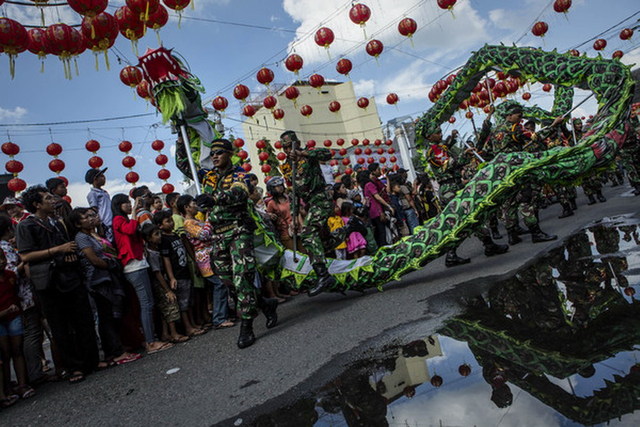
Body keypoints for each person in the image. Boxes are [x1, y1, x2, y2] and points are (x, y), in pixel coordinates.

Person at [191, 138, 277, 348]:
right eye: (212, 153)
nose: (215, 156)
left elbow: (239, 192)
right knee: (230, 283)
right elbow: (185, 164)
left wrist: (215, 199)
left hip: (238, 231)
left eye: (220, 152)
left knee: (243, 279)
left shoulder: (241, 174)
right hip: (218, 236)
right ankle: (265, 304)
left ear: (230, 154)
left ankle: (246, 327)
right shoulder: (208, 177)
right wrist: (180, 132)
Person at [16, 185, 99, 384]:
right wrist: (57, 250)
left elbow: (67, 246)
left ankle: (91, 362)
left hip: (70, 278)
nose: (52, 200)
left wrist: (68, 253)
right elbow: (26, 255)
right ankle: (73, 367)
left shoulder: (56, 223)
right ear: (36, 204)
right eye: (47, 198)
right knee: (61, 326)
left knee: (83, 319)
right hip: (48, 283)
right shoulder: (26, 226)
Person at [281, 130, 364, 297]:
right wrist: (295, 217)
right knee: (323, 243)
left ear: (296, 144)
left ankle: (323, 275)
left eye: (290, 146)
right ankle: (349, 228)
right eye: (285, 147)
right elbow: (294, 193)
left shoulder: (309, 157)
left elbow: (326, 153)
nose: (288, 150)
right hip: (310, 205)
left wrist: (303, 152)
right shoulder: (289, 167)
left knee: (308, 233)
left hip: (321, 201)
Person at [69, 208, 141, 367]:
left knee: (111, 314)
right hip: (97, 280)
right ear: (77, 223)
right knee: (106, 316)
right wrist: (110, 264)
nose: (90, 219)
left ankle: (116, 348)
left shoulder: (92, 235)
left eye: (91, 216)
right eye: (85, 217)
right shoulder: (81, 237)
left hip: (107, 278)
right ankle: (114, 352)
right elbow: (94, 259)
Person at [111, 193, 172, 354]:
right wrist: (133, 213)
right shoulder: (118, 220)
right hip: (133, 266)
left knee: (148, 303)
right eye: (126, 203)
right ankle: (150, 342)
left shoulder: (125, 219)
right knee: (146, 304)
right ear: (118, 205)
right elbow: (130, 230)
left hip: (139, 262)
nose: (129, 205)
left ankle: (152, 339)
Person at [490, 102, 560, 244]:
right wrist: (553, 125)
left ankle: (512, 235)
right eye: (519, 116)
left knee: (509, 203)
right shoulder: (514, 128)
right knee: (526, 200)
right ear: (509, 116)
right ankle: (536, 232)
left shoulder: (496, 130)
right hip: (516, 169)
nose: (520, 119)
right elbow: (535, 137)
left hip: (503, 171)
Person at [177, 194, 235, 329]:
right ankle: (219, 318)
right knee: (219, 284)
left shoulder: (196, 221)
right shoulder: (188, 223)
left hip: (212, 255)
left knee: (222, 284)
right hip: (205, 259)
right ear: (186, 208)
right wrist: (209, 218)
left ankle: (223, 315)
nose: (196, 206)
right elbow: (204, 235)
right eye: (193, 204)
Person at [153, 210, 205, 337]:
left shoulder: (175, 235)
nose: (171, 223)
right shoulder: (164, 240)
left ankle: (192, 324)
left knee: (189, 300)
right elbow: (166, 260)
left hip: (185, 270)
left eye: (171, 220)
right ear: (160, 225)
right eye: (167, 221)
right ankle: (187, 327)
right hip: (177, 274)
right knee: (183, 303)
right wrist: (171, 277)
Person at [140, 223, 188, 344]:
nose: (160, 236)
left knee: (165, 309)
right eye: (156, 234)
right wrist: (168, 290)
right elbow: (157, 273)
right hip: (160, 283)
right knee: (169, 305)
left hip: (161, 281)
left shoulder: (156, 249)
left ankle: (165, 334)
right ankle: (174, 333)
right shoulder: (151, 253)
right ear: (148, 238)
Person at [0, 248, 35, 400]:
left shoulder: (10, 275)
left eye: (2, 258)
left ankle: (22, 384)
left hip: (14, 316)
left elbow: (17, 293)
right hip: (2, 318)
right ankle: (7, 388)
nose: (2, 262)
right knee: (5, 353)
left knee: (17, 350)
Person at [265, 176, 295, 251]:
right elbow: (268, 217)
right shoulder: (271, 203)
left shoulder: (289, 198)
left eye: (280, 185)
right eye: (277, 187)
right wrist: (271, 216)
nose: (280, 188)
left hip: (296, 228)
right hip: (285, 233)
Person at [85, 167, 112, 241]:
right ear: (95, 179)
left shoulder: (105, 192)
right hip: (106, 225)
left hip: (112, 222)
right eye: (102, 176)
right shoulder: (92, 194)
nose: (104, 178)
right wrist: (99, 226)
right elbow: (94, 210)